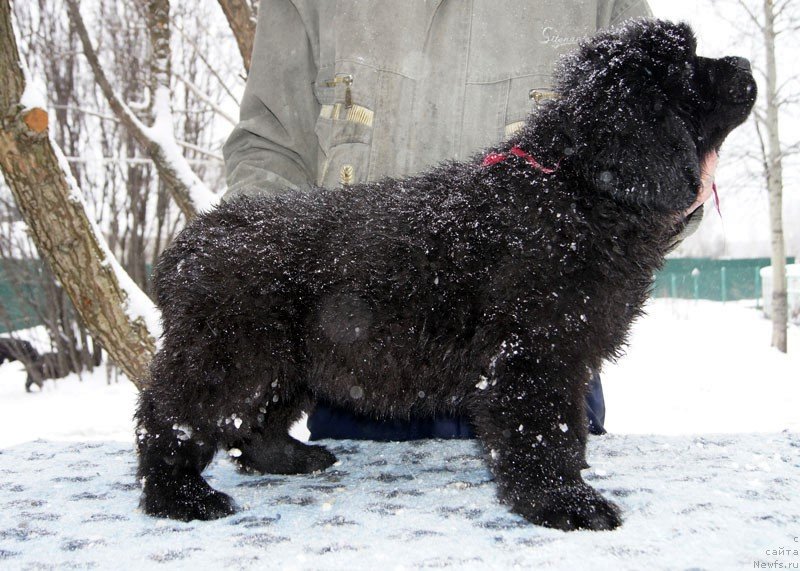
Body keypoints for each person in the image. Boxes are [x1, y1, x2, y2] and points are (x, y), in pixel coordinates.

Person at [223, 0, 708, 440]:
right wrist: (258, 299)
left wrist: (677, 180)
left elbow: (664, 125)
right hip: (357, 360)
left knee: (550, 500)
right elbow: (270, 148)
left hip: (540, 362)